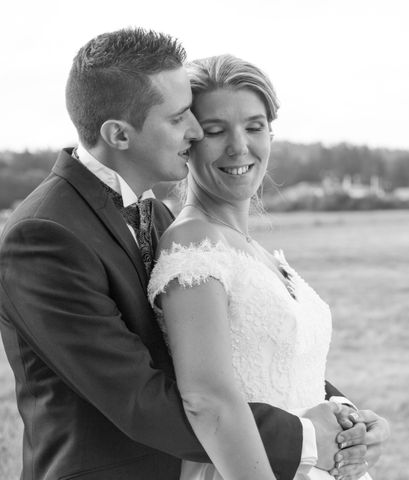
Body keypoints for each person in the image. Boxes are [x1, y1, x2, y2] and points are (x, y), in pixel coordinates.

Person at [0, 28, 386, 480]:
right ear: (119, 135)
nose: (196, 130)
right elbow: (137, 397)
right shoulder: (44, 235)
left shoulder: (155, 216)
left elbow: (241, 350)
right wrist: (303, 435)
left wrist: (342, 415)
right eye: (179, 116)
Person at [147, 54, 389, 480]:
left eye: (254, 127)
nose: (239, 147)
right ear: (188, 140)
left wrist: (353, 420)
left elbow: (293, 372)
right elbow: (207, 400)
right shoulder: (194, 246)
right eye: (216, 131)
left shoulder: (250, 249)